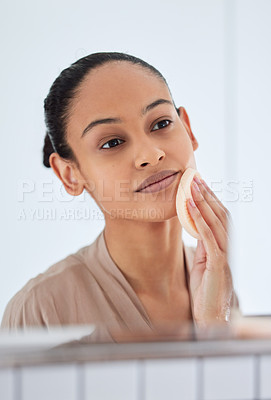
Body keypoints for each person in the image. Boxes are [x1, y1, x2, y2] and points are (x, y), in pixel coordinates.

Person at [1, 52, 240, 339]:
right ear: (70, 174)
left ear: (187, 129)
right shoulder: (39, 311)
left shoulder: (218, 281)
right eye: (112, 142)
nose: (151, 155)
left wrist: (216, 323)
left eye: (161, 124)